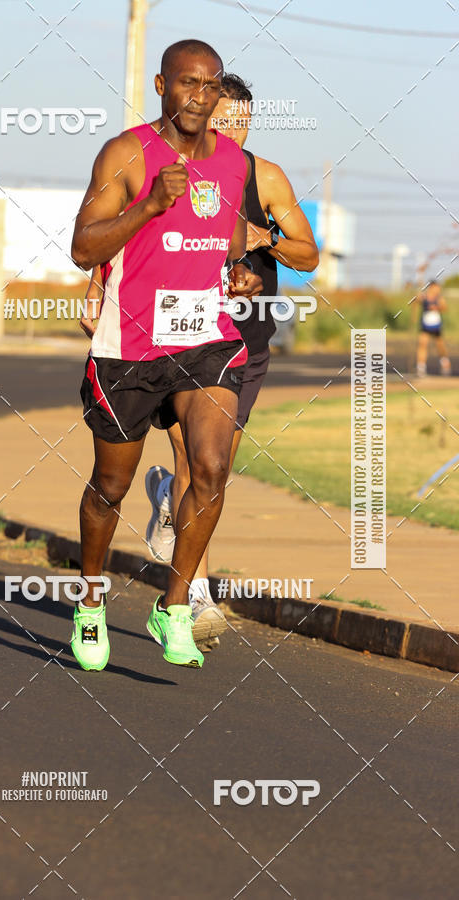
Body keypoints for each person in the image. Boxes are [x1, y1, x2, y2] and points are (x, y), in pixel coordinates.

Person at [71, 39, 263, 671]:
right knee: (112, 485)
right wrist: (150, 203)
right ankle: (91, 601)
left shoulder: (233, 161)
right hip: (129, 346)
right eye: (187, 84)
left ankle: (174, 605)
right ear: (162, 85)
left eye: (210, 86)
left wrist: (242, 274)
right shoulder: (126, 153)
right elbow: (82, 245)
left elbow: (229, 238)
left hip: (205, 339)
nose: (199, 97)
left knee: (211, 465)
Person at [144, 73, 319, 649]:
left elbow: (308, 254)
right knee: (199, 463)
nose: (233, 133)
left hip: (247, 342)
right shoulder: (171, 169)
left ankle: (170, 499)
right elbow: (130, 235)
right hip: (180, 334)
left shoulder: (264, 177)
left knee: (213, 470)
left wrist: (261, 237)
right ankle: (192, 596)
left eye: (243, 122)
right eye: (223, 122)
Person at [416, 281, 451, 377]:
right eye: (436, 288)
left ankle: (445, 362)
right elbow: (417, 299)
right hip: (425, 325)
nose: (438, 290)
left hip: (436, 325)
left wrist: (436, 307)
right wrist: (420, 275)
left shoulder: (439, 298)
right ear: (431, 287)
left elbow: (444, 307)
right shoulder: (424, 296)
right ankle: (421, 367)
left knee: (440, 345)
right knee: (422, 344)